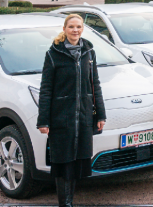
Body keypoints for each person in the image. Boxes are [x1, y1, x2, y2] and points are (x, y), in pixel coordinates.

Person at [37, 14, 106, 207]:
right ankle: (65, 204)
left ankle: (70, 202)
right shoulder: (53, 54)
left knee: (76, 162)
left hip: (83, 116)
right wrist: (43, 120)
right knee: (64, 162)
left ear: (82, 29)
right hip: (62, 117)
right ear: (65, 29)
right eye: (71, 27)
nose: (75, 30)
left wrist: (100, 114)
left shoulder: (89, 52)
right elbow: (46, 89)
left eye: (79, 27)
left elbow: (95, 85)